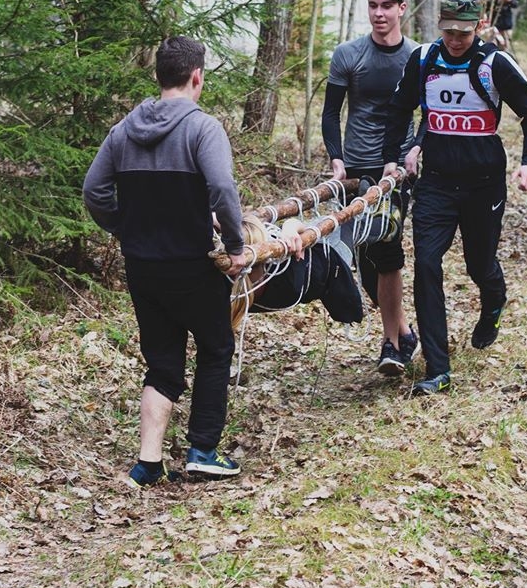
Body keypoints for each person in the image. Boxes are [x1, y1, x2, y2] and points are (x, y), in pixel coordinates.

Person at [83, 35, 247, 485]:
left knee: (163, 362)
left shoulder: (123, 131)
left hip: (142, 266)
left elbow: (93, 192)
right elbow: (223, 190)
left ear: (159, 76)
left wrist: (125, 226)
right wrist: (235, 247)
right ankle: (203, 450)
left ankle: (148, 463)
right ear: (197, 77)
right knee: (216, 348)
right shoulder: (202, 128)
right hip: (192, 265)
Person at [382, 0, 527, 395]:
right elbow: (400, 108)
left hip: (483, 183)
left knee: (479, 264)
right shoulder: (423, 60)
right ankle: (437, 368)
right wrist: (393, 156)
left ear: (478, 26)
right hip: (436, 181)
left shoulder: (494, 63)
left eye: (464, 32)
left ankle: (493, 301)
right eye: (449, 31)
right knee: (426, 264)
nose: (455, 39)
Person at [321, 0, 419, 377]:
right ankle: (405, 331)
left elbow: (427, 113)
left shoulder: (418, 56)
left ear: (401, 9)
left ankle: (392, 347)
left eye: (386, 6)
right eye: (373, 6)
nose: (379, 14)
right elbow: (331, 113)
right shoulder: (348, 54)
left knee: (387, 252)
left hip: (395, 171)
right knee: (365, 267)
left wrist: (414, 149)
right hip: (355, 171)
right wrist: (337, 158)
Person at [230, 215, 363, 332]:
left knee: (350, 221)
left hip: (318, 244)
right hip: (332, 259)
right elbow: (300, 227)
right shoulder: (285, 278)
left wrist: (289, 228)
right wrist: (290, 227)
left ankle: (369, 206)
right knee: (351, 225)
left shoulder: (228, 286)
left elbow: (298, 227)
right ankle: (377, 213)